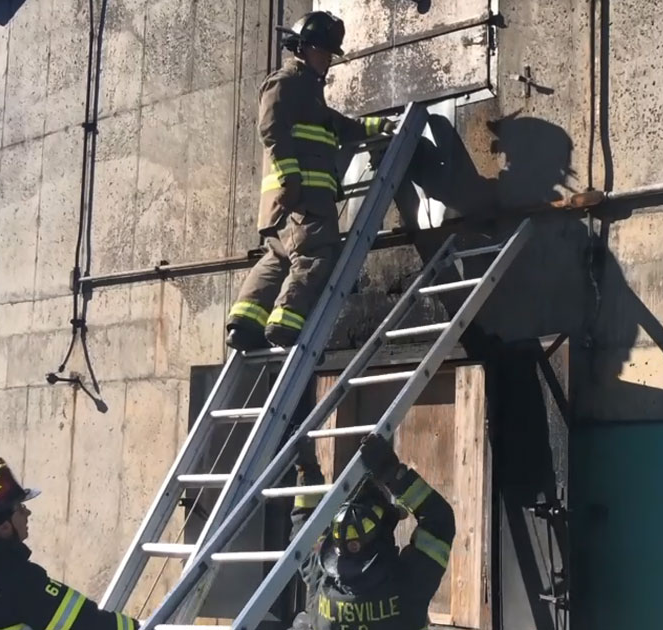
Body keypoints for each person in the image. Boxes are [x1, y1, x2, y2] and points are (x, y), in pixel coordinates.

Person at [226, 11, 396, 351]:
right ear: (304, 48)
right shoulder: (285, 83)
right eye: (324, 52)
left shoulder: (308, 94)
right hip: (303, 196)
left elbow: (339, 125)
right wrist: (291, 179)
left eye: (331, 54)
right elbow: (270, 129)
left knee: (278, 258)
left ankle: (245, 324)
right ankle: (285, 324)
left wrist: (377, 127)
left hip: (291, 200)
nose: (329, 61)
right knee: (316, 257)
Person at [0, 458, 140, 630]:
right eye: (20, 508)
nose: (27, 513)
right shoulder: (18, 582)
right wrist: (139, 627)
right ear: (4, 527)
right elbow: (90, 623)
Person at [288, 435, 455, 630]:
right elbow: (439, 522)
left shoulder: (323, 578)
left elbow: (304, 530)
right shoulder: (408, 584)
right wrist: (393, 473)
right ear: (384, 529)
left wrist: (306, 472)